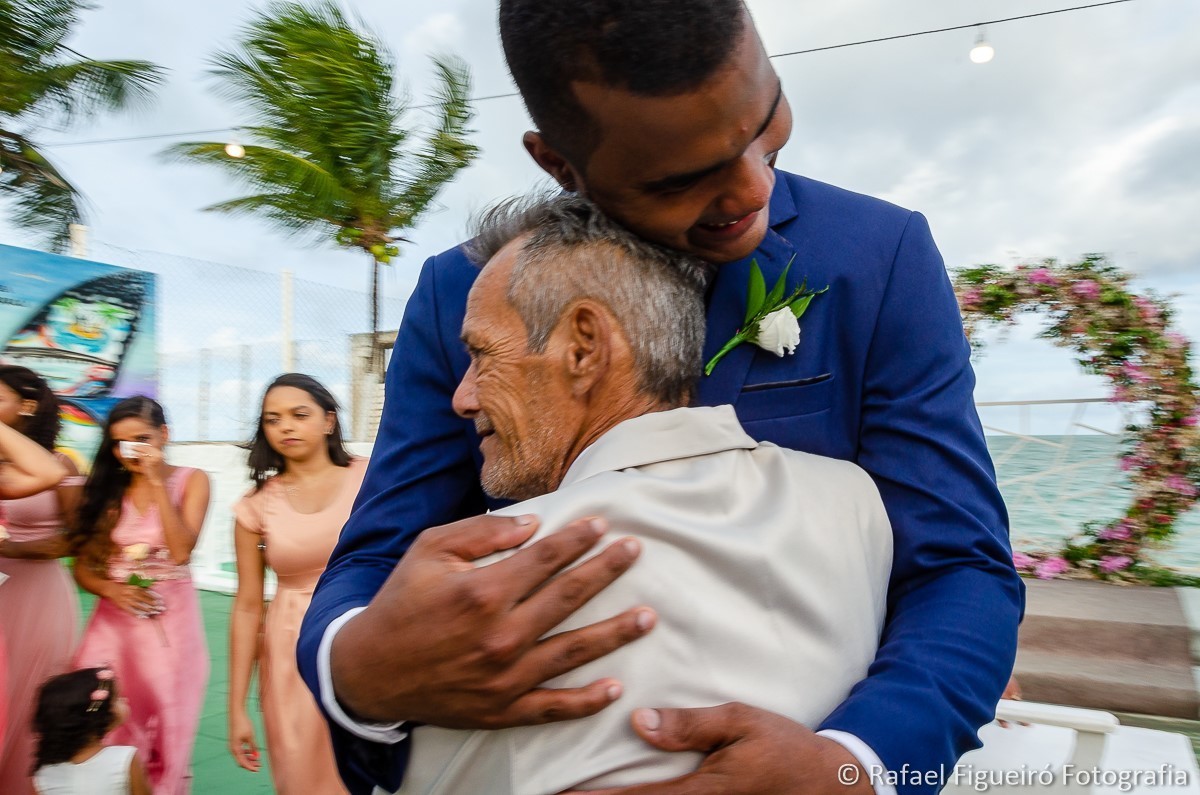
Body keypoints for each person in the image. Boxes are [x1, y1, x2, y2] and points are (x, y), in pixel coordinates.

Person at [299, 2, 1023, 794]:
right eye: (685, 176)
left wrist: (855, 765)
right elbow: (377, 553)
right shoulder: (463, 289)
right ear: (561, 165)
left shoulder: (874, 257)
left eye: (768, 120)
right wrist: (360, 670)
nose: (753, 188)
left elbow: (960, 563)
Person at [395, 194, 894, 794]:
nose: (462, 398)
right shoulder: (854, 502)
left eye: (481, 355)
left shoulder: (498, 589)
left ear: (584, 347)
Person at [227, 374, 363, 795]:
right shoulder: (254, 507)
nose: (285, 426)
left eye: (299, 415)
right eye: (273, 419)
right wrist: (236, 707)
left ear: (328, 420)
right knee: (305, 778)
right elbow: (248, 606)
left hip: (369, 635)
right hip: (291, 655)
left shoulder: (375, 479)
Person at [71, 397, 210, 795]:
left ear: (164, 435)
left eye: (141, 439)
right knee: (98, 713)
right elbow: (83, 567)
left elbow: (181, 550)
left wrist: (155, 482)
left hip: (171, 621)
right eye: (119, 443)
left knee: (168, 715)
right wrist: (111, 589)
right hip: (111, 626)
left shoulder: (192, 479)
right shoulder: (107, 492)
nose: (129, 450)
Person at [0, 366, 86, 795]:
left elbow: (73, 539)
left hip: (41, 595)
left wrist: (8, 549)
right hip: (2, 591)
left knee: (35, 691)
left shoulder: (59, 461)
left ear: (28, 405)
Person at [31, 667, 151, 795]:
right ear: (98, 714)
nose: (125, 700)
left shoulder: (43, 775)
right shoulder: (125, 759)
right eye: (117, 698)